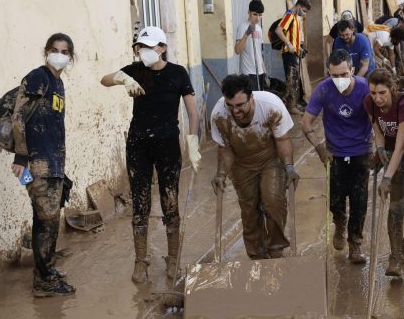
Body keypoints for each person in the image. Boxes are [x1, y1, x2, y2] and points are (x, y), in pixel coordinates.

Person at [101, 26, 202, 283]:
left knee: (170, 202)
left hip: (167, 145)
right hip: (138, 146)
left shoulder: (178, 73)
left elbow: (193, 112)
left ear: (162, 48)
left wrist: (192, 142)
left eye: (149, 47)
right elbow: (104, 79)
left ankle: (173, 259)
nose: (144, 52)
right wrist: (123, 79)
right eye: (140, 47)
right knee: (140, 203)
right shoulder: (135, 71)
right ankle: (140, 260)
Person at [11, 33, 76, 297]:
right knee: (46, 220)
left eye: (64, 51)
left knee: (48, 218)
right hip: (35, 164)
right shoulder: (38, 77)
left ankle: (45, 271)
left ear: (70, 57)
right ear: (46, 51)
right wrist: (21, 158)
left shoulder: (57, 84)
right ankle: (44, 281)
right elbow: (18, 116)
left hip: (53, 164)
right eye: (54, 49)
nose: (59, 55)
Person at [210, 75, 299, 259]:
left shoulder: (271, 106)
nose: (235, 111)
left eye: (240, 105)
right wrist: (220, 174)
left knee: (273, 201)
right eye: (231, 105)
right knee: (249, 209)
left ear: (251, 98)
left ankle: (275, 248)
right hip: (241, 163)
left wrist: (289, 167)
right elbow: (225, 148)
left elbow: (282, 140)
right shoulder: (219, 114)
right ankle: (256, 254)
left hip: (270, 159)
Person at [301, 50, 372, 263]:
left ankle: (355, 245)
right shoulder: (323, 90)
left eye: (343, 74)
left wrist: (377, 148)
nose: (339, 80)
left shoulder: (365, 88)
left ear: (352, 70)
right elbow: (306, 123)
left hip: (361, 150)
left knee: (359, 200)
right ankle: (339, 224)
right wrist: (320, 148)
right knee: (336, 199)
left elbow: (375, 120)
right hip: (335, 152)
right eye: (334, 75)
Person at [365, 69, 404, 276]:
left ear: (392, 89)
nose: (377, 98)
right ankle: (395, 255)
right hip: (392, 151)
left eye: (382, 93)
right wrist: (379, 149)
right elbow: (377, 129)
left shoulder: (403, 104)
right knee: (396, 203)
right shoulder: (369, 103)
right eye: (373, 93)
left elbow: (401, 146)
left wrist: (386, 177)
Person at [275, 0, 312, 116]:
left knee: (294, 80)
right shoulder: (289, 16)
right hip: (288, 53)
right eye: (304, 11)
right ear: (299, 6)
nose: (304, 14)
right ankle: (290, 106)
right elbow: (279, 30)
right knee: (291, 79)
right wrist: (289, 44)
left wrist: (299, 48)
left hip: (294, 52)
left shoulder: (295, 17)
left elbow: (293, 36)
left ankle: (294, 104)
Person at [234, 0, 267, 91]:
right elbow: (237, 50)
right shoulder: (242, 27)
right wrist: (246, 34)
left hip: (259, 72)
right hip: (248, 73)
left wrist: (265, 71)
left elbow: (260, 52)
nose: (257, 18)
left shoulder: (259, 28)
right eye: (255, 14)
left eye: (260, 15)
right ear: (249, 12)